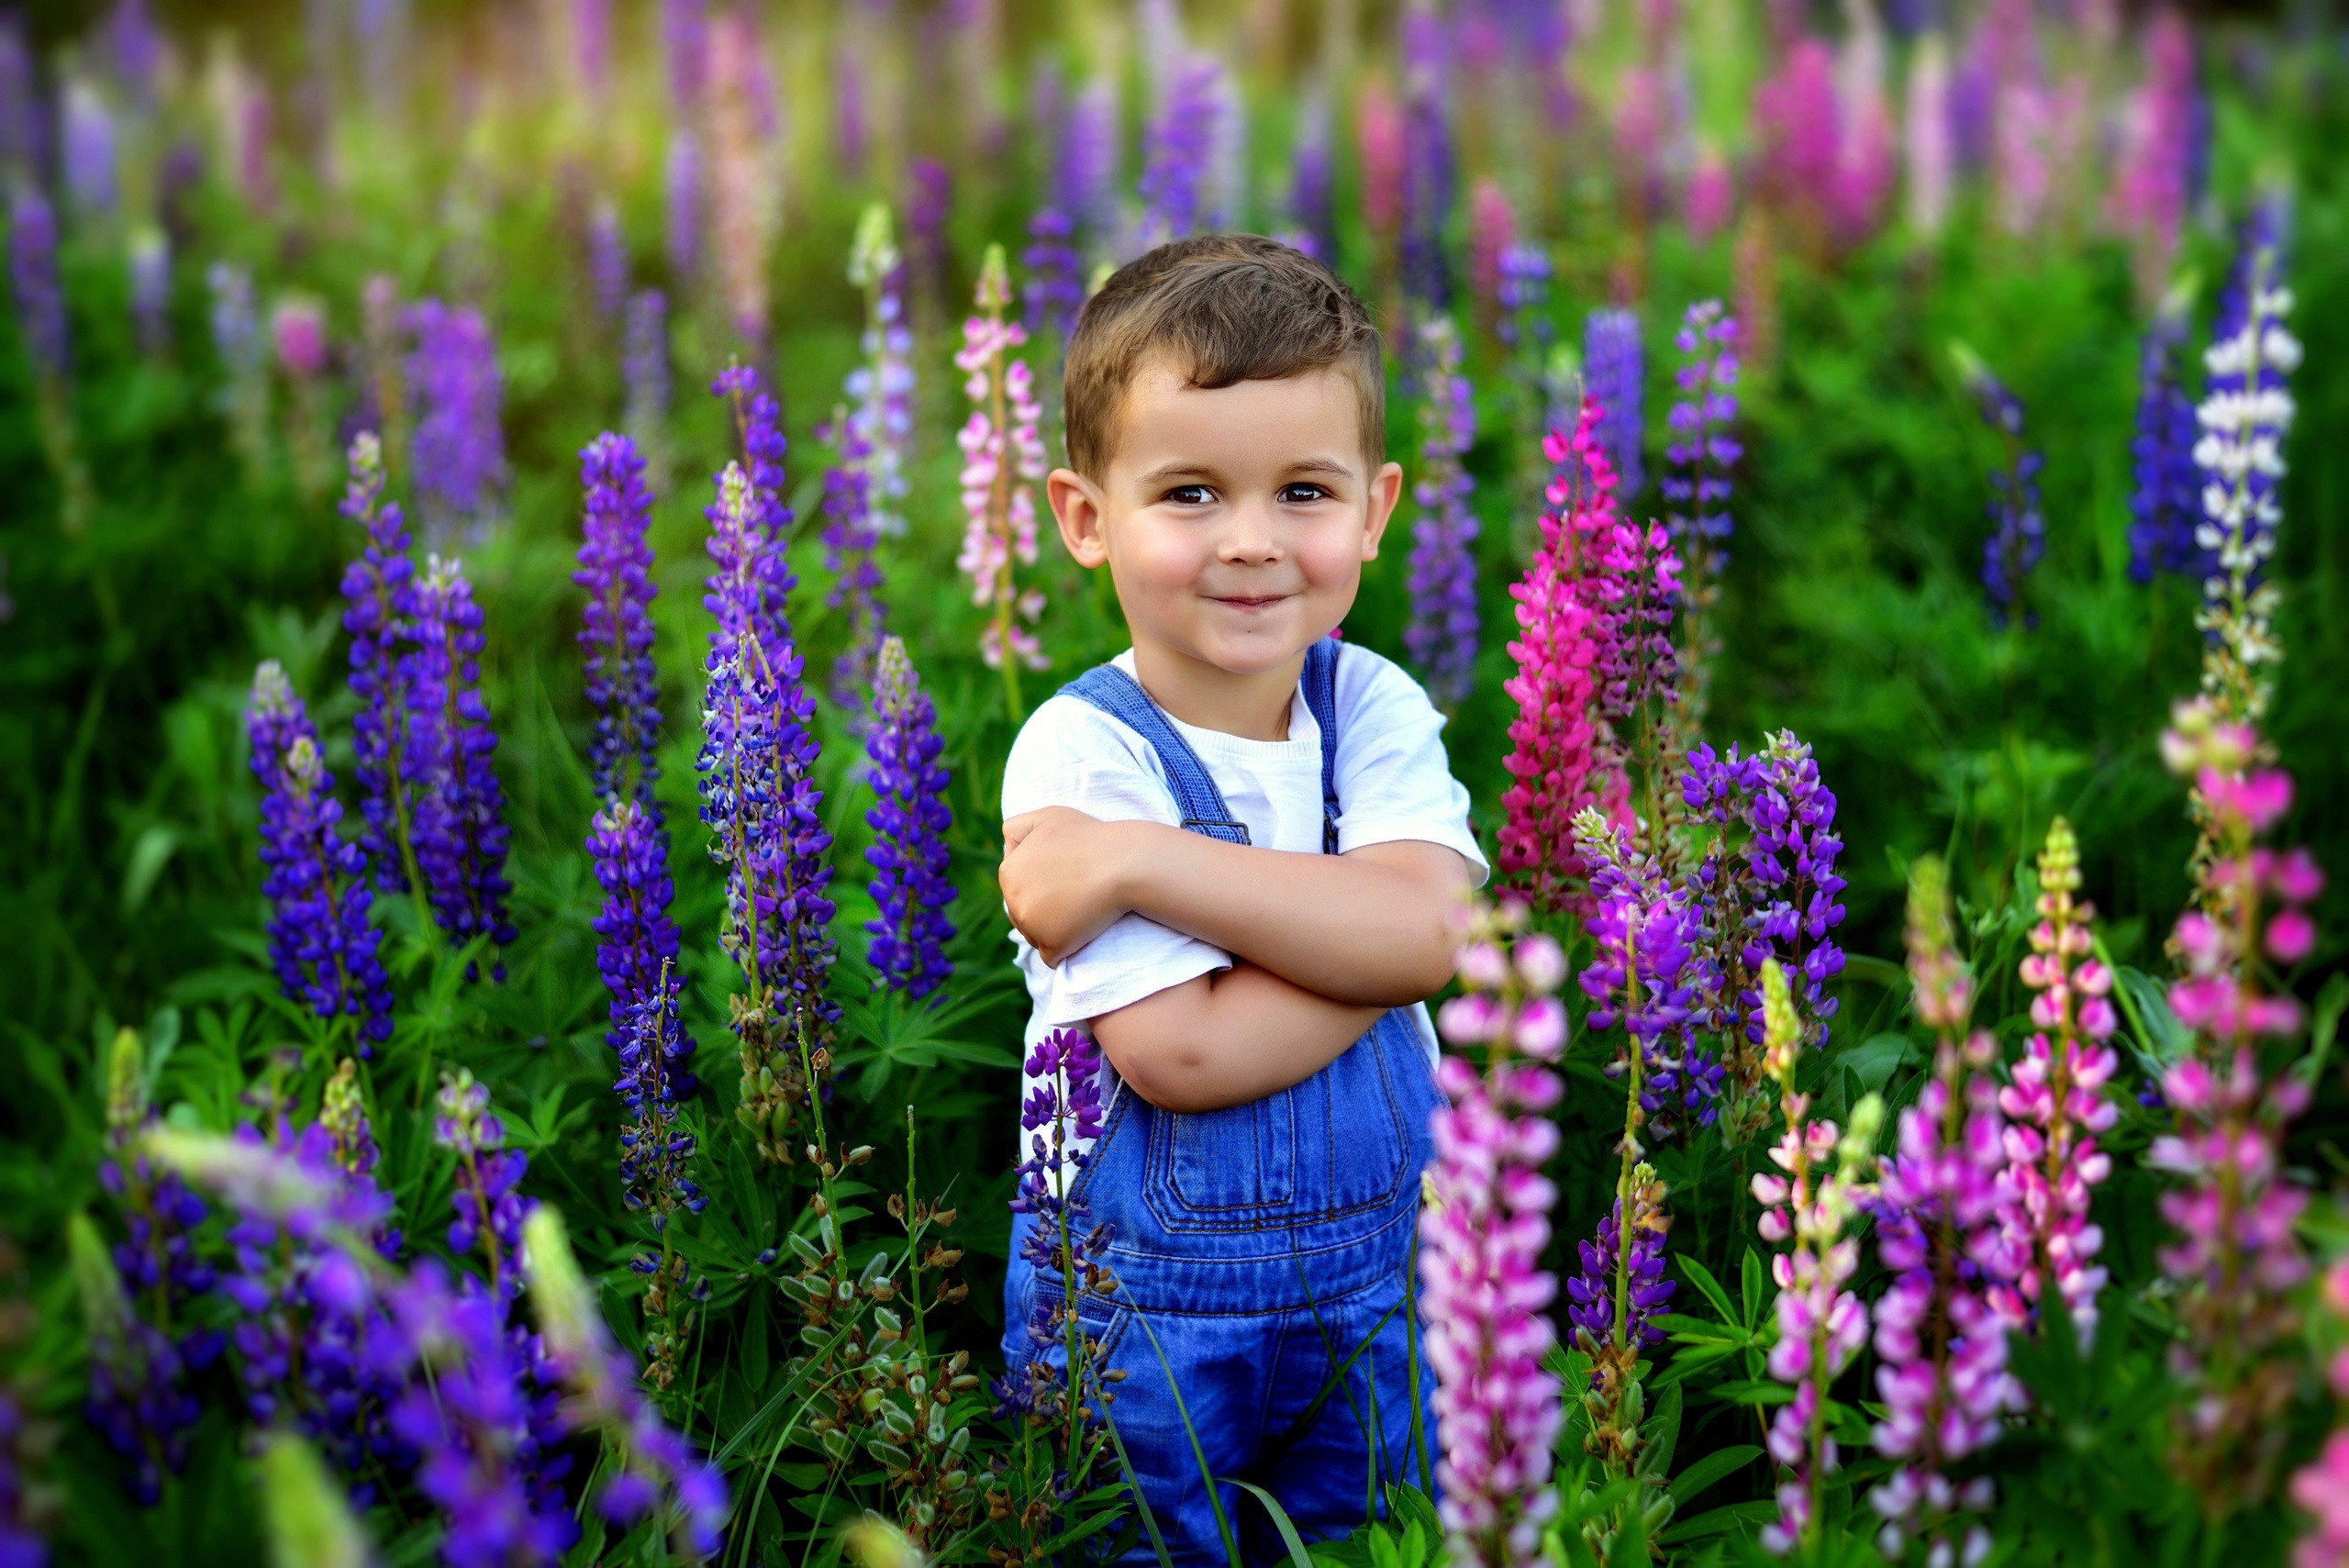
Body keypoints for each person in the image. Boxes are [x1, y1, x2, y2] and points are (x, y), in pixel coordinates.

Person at [996, 233, 1487, 1562]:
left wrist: (1145, 862)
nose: (1256, 542)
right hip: (1142, 1325)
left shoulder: (1370, 702)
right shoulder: (1077, 752)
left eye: (1306, 491)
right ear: (1086, 517)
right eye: (1195, 492)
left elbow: (1434, 932)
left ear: (1379, 511)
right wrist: (1372, 944)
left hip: (1383, 1302)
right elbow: (1183, 1050)